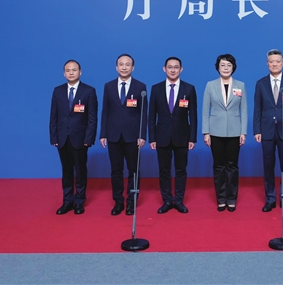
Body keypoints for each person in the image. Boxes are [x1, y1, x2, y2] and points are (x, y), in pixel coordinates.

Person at [253, 49, 283, 213]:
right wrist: (257, 129)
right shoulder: (261, 83)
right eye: (271, 61)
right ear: (267, 64)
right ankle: (270, 199)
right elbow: (257, 108)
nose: (274, 64)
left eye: (278, 61)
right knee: (268, 166)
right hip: (266, 130)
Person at [148, 57, 198, 214]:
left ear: (181, 69)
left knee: (181, 170)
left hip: (182, 136)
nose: (173, 70)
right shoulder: (156, 89)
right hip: (161, 136)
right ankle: (167, 200)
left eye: (176, 67)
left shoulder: (189, 89)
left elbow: (193, 116)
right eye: (170, 67)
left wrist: (192, 138)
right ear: (164, 69)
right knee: (164, 171)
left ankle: (179, 200)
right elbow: (151, 116)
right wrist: (152, 138)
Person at [100, 54, 147, 216]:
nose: (124, 67)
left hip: (133, 136)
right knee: (116, 170)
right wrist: (103, 134)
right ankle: (118, 201)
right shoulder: (108, 86)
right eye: (121, 64)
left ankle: (131, 201)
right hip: (113, 135)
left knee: (133, 170)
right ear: (116, 67)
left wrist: (142, 135)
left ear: (133, 68)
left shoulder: (140, 87)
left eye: (128, 65)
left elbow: (143, 113)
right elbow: (105, 111)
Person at [49, 60, 98, 215]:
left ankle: (79, 201)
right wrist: (53, 136)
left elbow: (92, 118)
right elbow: (53, 116)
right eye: (68, 70)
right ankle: (67, 201)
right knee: (66, 170)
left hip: (80, 138)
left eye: (74, 70)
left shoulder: (89, 91)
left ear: (80, 72)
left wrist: (89, 138)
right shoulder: (57, 91)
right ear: (64, 73)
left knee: (80, 170)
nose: (71, 73)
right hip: (62, 137)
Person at [202, 54, 248, 212]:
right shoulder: (210, 85)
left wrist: (243, 132)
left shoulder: (240, 85)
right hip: (215, 132)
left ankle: (232, 198)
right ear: (218, 67)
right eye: (223, 65)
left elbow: (244, 110)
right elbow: (205, 110)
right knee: (219, 166)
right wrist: (206, 132)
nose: (226, 68)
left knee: (232, 166)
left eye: (229, 65)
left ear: (233, 67)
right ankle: (221, 198)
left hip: (235, 131)